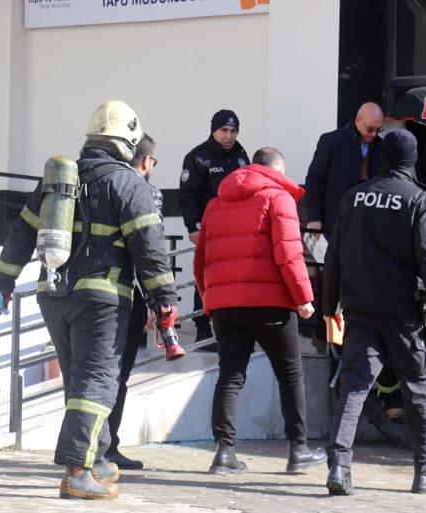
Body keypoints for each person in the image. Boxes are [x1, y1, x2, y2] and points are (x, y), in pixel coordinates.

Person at [0, 100, 179, 500]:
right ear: (128, 141)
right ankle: (77, 472)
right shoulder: (128, 184)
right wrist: (164, 298)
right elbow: (149, 246)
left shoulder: (59, 181)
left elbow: (21, 233)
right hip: (102, 299)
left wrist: (2, 281)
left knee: (80, 382)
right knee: (97, 383)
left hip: (53, 294)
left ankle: (101, 458)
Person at [322, 129, 426, 496]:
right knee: (416, 388)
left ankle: (339, 467)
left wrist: (329, 305)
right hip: (404, 314)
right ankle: (425, 473)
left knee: (354, 387)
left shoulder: (353, 197)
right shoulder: (421, 201)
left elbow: (333, 257)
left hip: (359, 309)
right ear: (412, 161)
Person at [193, 147, 327, 474]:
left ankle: (224, 453)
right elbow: (289, 255)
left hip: (226, 307)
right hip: (271, 306)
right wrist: (304, 298)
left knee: (230, 376)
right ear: (277, 171)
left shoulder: (215, 204)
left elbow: (200, 261)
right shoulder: (278, 198)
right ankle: (298, 450)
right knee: (290, 374)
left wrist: (210, 299)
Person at [105, 133, 166, 471]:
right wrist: (160, 301)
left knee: (90, 373)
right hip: (126, 296)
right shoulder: (146, 193)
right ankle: (106, 446)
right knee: (116, 375)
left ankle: (75, 444)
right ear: (146, 162)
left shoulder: (101, 183)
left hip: (86, 291)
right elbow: (148, 251)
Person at [179, 109, 250, 345]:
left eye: (233, 131)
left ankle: (232, 325)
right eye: (224, 130)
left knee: (234, 278)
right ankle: (202, 327)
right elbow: (188, 196)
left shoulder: (241, 155)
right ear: (214, 130)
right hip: (210, 231)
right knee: (207, 278)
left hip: (238, 231)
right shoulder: (198, 157)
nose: (229, 136)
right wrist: (193, 226)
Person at [304, 102, 384, 236]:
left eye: (379, 129)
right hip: (336, 221)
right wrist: (314, 218)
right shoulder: (332, 141)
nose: (374, 134)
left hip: (368, 225)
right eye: (370, 129)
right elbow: (313, 180)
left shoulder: (382, 147)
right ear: (358, 121)